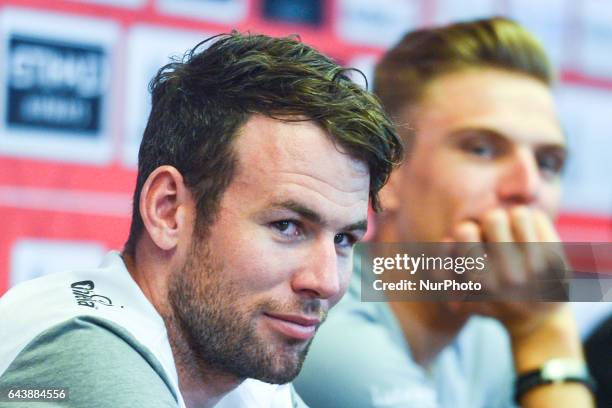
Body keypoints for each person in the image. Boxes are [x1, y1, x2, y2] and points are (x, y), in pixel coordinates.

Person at [0, 32, 403, 408]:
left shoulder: (252, 381)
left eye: (344, 240)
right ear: (168, 210)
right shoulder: (82, 352)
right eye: (287, 226)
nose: (327, 282)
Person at [295, 17, 595, 408]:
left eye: (548, 163)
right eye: (481, 149)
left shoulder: (492, 335)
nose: (528, 186)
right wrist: (545, 331)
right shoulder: (323, 332)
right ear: (387, 173)